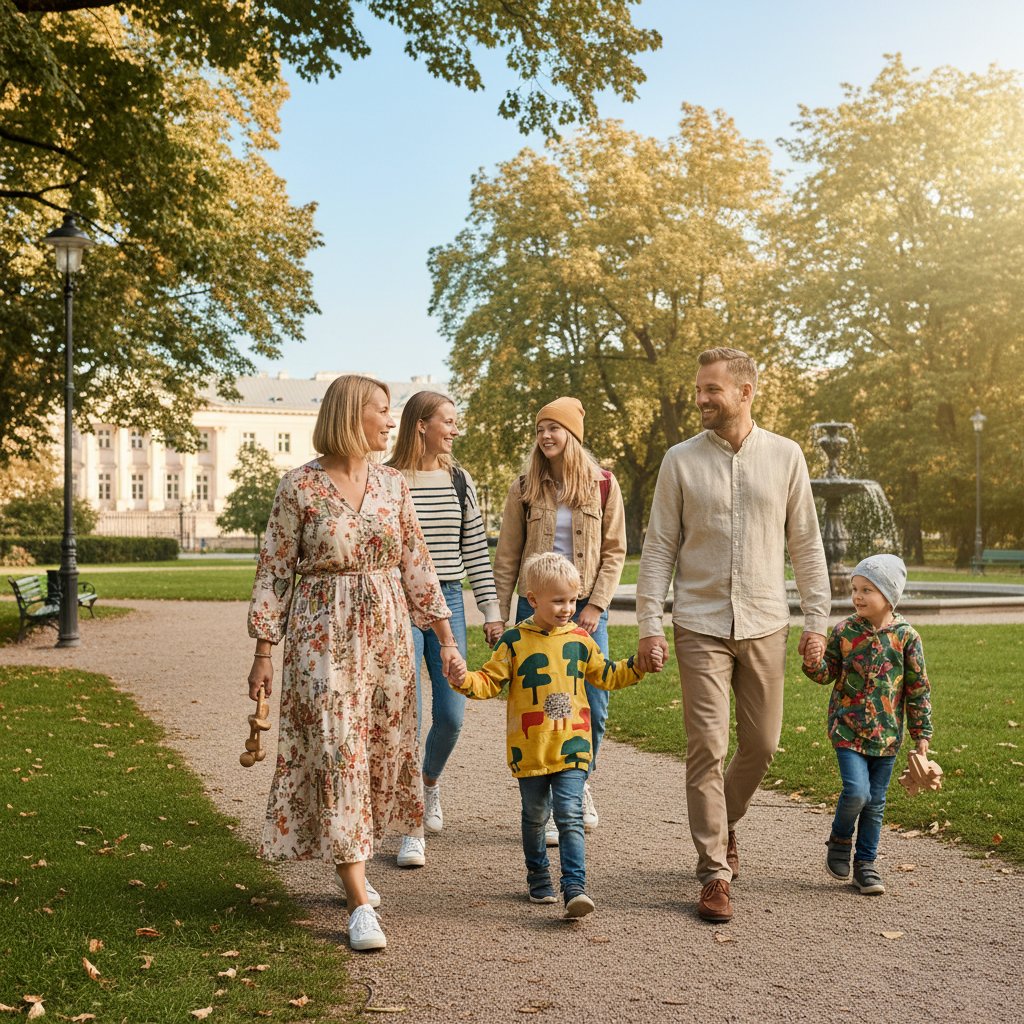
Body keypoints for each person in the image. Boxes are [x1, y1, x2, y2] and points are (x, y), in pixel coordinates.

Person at [246, 374, 465, 953]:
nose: (391, 423)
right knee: (338, 749)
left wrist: (444, 640)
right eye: (382, 411)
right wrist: (263, 652)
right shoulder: (299, 487)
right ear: (351, 414)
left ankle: (354, 865)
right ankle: (358, 898)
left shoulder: (394, 485)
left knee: (372, 754)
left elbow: (418, 565)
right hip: (322, 639)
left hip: (389, 640)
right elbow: (273, 572)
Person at [635, 347, 830, 924]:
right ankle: (714, 872)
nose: (700, 399)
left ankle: (724, 825)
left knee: (763, 745)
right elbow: (659, 549)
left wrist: (816, 622)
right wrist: (649, 623)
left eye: (711, 390)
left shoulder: (787, 456)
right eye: (699, 388)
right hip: (699, 622)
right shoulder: (679, 460)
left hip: (767, 619)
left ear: (745, 392)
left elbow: (807, 548)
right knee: (706, 747)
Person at [447, 552, 660, 916]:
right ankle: (538, 875)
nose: (567, 608)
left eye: (573, 600)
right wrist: (463, 679)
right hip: (530, 749)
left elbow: (606, 675)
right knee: (534, 816)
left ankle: (574, 887)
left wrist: (638, 666)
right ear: (533, 600)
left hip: (573, 744)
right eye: (558, 600)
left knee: (569, 814)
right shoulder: (513, 641)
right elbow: (489, 681)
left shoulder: (580, 639)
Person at [493, 397, 626, 842]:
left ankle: (578, 784)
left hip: (585, 609)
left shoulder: (603, 484)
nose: (546, 436)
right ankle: (545, 803)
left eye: (554, 428)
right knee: (540, 706)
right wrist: (498, 616)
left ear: (573, 435)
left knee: (595, 705)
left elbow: (614, 552)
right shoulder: (524, 487)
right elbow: (508, 555)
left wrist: (594, 606)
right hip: (534, 610)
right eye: (540, 429)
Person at [386, 390, 504, 867]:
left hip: (450, 600)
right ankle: (410, 827)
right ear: (421, 425)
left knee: (452, 715)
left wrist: (491, 611)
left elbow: (475, 549)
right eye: (448, 421)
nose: (455, 430)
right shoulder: (389, 479)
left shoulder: (460, 480)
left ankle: (429, 783)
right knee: (407, 715)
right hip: (398, 600)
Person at [801, 554, 933, 896]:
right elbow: (827, 672)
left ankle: (866, 866)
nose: (857, 596)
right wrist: (813, 662)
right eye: (855, 589)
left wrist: (922, 735)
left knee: (875, 803)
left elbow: (917, 689)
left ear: (889, 596)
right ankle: (840, 839)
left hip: (887, 736)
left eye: (867, 590)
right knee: (857, 792)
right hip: (847, 728)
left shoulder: (906, 638)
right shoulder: (845, 631)